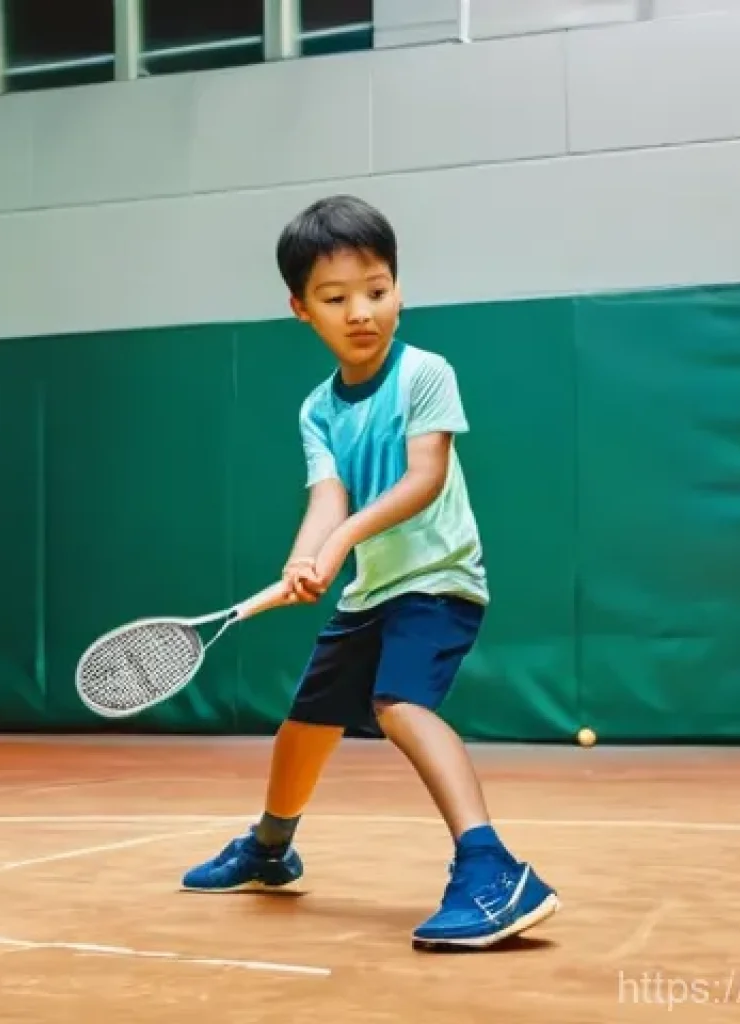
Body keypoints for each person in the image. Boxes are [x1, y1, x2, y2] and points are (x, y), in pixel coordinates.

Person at [180, 194, 560, 950]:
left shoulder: (426, 374)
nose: (361, 311)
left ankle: (493, 869)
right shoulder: (318, 409)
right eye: (336, 297)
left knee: (398, 703)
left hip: (440, 580)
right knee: (305, 725)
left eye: (377, 290)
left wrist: (344, 535)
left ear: (398, 290)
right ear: (301, 309)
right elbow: (328, 496)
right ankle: (269, 848)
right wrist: (306, 555)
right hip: (373, 589)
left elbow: (423, 478)